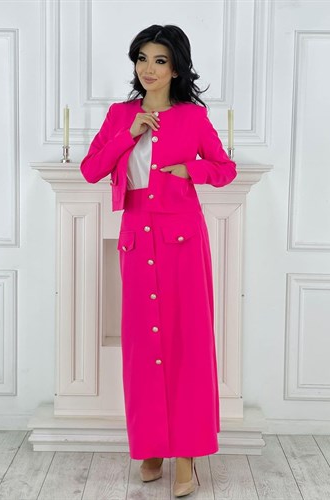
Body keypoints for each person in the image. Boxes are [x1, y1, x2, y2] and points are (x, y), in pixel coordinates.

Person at [80, 24, 237, 498]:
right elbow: (91, 170)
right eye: (142, 59)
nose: (148, 69)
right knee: (142, 347)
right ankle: (150, 445)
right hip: (136, 238)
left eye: (160, 60)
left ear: (176, 68)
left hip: (182, 240)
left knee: (187, 343)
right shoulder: (120, 115)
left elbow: (225, 169)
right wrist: (127, 136)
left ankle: (186, 453)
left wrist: (192, 169)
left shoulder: (192, 118)